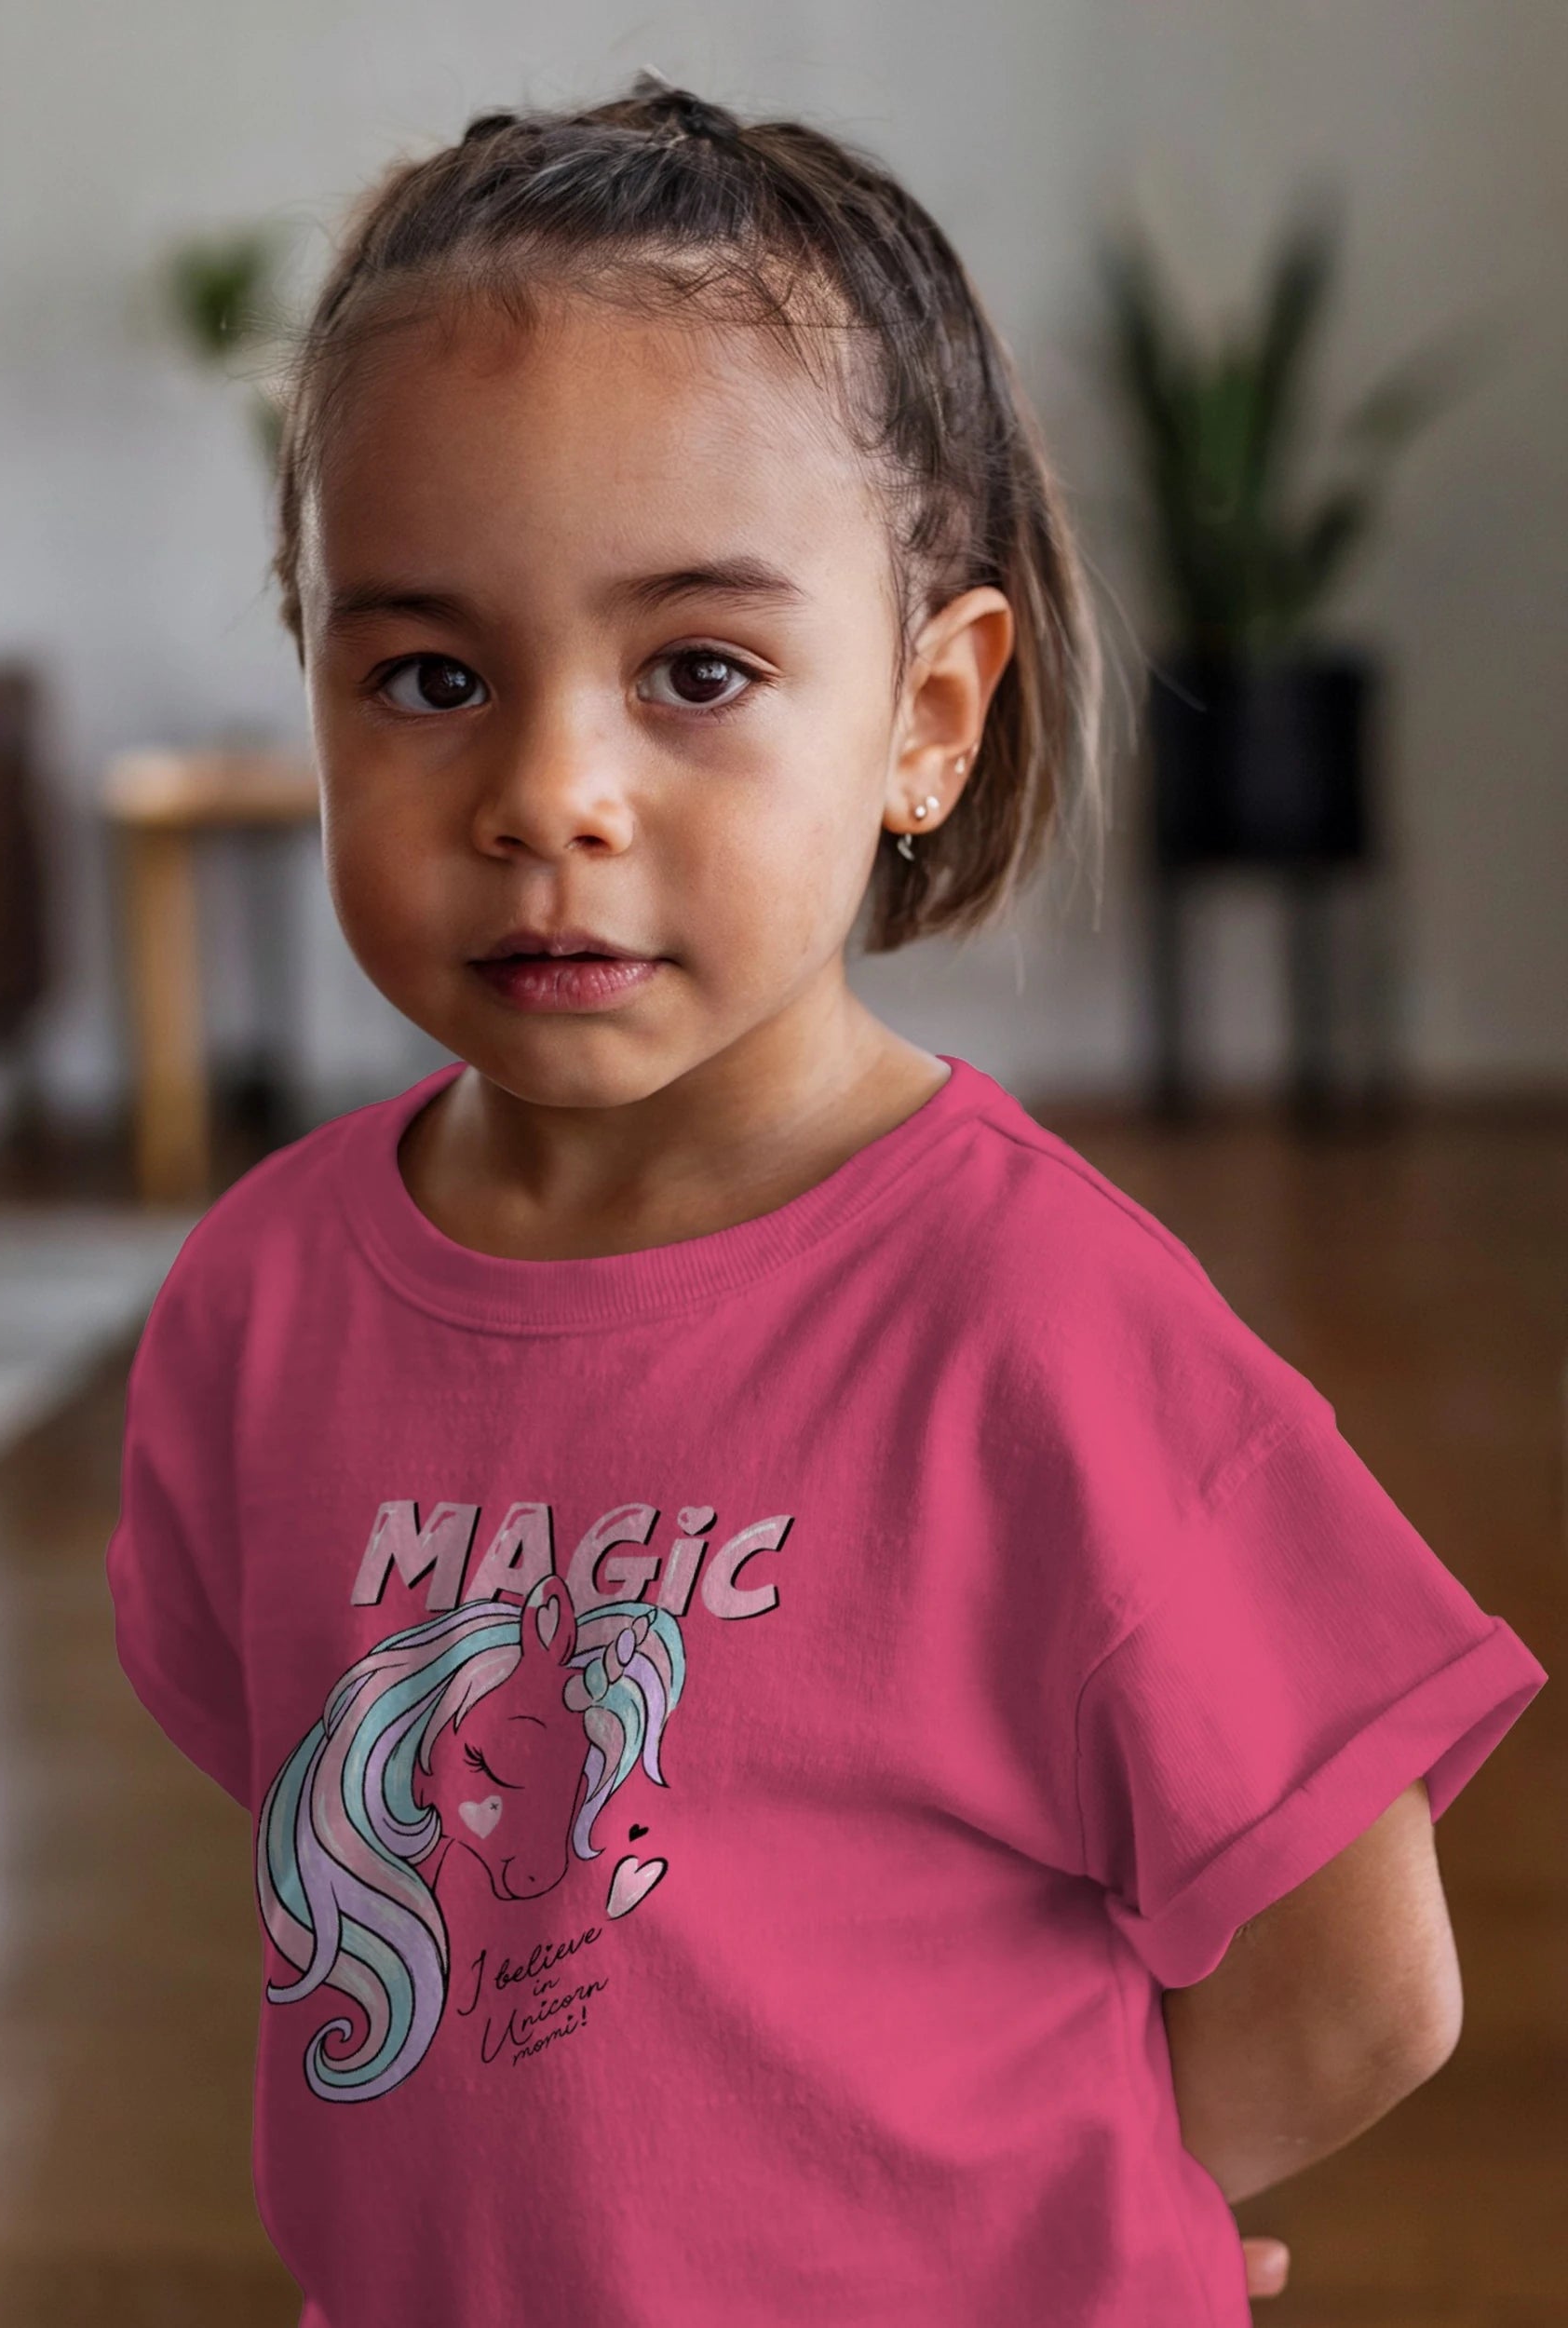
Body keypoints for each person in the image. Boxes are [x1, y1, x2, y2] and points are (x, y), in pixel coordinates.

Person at [106, 75, 1546, 2328]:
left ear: (927, 716)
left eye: (697, 670)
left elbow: (1357, 1981)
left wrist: (1053, 2214)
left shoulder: (1042, 1320)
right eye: (429, 676)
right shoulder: (253, 1301)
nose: (549, 792)